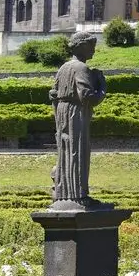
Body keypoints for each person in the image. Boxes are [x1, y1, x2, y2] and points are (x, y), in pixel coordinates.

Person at [50, 32, 107, 206]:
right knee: (78, 151)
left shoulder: (63, 68)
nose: (94, 51)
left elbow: (53, 94)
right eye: (91, 47)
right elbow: (88, 97)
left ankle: (64, 194)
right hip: (76, 113)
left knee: (66, 151)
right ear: (81, 46)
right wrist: (102, 86)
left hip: (63, 113)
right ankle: (78, 195)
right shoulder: (82, 68)